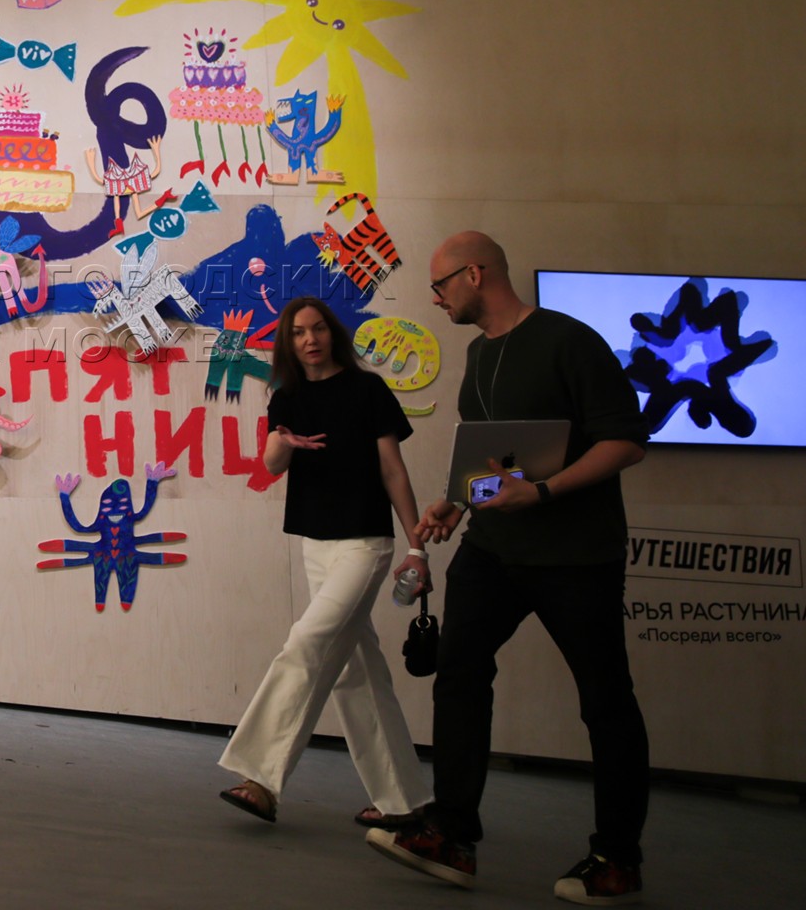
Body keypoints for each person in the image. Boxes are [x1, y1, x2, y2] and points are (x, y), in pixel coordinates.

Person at [367, 232, 649, 906]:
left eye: (440, 286)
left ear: (475, 273)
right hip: (493, 549)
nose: (435, 299)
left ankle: (617, 860)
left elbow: (625, 442)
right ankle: (451, 834)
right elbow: (498, 458)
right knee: (460, 673)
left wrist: (543, 493)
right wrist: (457, 502)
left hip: (577, 555)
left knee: (605, 702)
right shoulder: (479, 353)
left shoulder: (568, 341)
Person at [217, 296, 432, 827]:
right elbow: (271, 463)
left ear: (332, 333)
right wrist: (284, 443)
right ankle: (404, 801)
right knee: (357, 672)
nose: (309, 339)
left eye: (317, 329)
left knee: (306, 644)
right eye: (297, 333)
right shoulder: (287, 396)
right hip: (316, 544)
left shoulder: (367, 389)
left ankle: (261, 778)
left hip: (365, 544)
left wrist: (417, 547)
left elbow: (393, 471)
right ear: (288, 343)